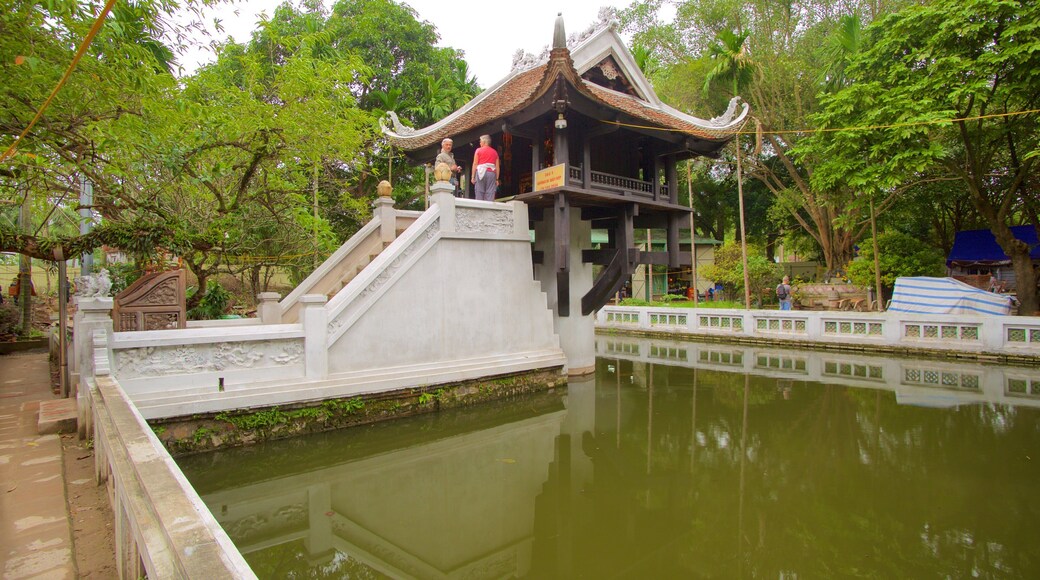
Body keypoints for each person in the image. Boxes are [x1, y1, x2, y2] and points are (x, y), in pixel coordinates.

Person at [471, 134, 500, 201]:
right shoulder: (495, 152)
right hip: (491, 173)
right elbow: (497, 167)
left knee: (479, 191)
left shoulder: (478, 150)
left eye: (480, 141)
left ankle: (479, 208)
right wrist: (497, 179)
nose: (480, 143)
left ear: (484, 142)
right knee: (490, 192)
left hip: (481, 172)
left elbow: (475, 164)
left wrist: (473, 176)